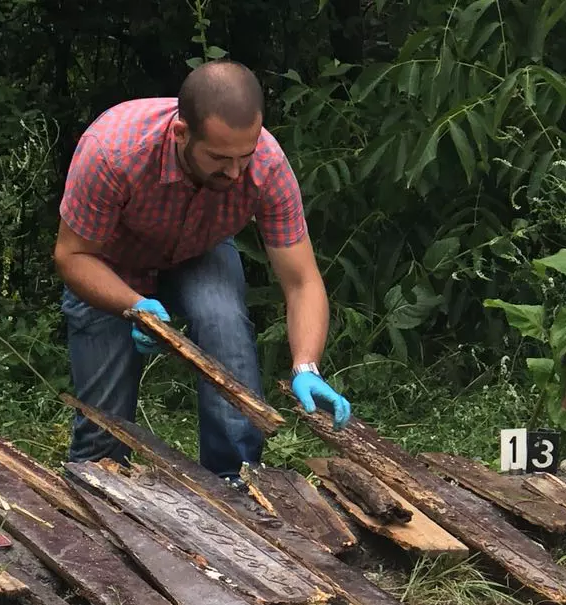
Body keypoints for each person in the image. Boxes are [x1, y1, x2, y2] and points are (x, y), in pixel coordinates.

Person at [54, 60, 352, 483]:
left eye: (244, 156)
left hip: (200, 252)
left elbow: (302, 281)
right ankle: (100, 482)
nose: (235, 172)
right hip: (110, 264)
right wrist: (133, 305)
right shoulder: (112, 151)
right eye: (219, 158)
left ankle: (237, 479)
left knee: (222, 319)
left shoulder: (267, 164)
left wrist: (307, 366)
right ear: (181, 133)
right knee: (103, 426)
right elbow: (72, 255)